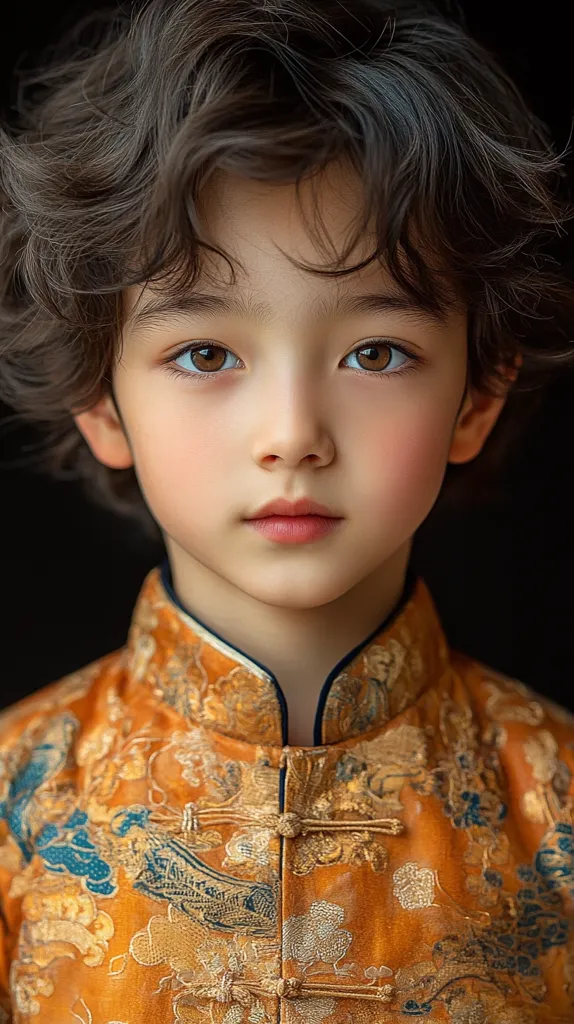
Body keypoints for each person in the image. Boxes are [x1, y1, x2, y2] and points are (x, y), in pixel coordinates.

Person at [1, 0, 574, 1020]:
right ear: (100, 398)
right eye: (205, 354)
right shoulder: (16, 807)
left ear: (476, 394)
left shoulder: (562, 805)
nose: (292, 433)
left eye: (375, 352)